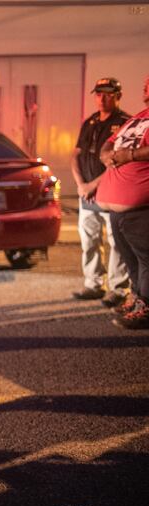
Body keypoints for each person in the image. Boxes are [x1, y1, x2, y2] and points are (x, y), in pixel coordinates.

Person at [94, 75, 149, 330]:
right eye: (145, 83)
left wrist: (130, 155)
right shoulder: (137, 117)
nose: (146, 87)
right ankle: (137, 296)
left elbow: (129, 150)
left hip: (142, 207)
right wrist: (107, 154)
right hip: (117, 206)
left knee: (146, 258)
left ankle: (146, 306)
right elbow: (109, 143)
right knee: (130, 258)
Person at [71, 77, 131, 306]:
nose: (102, 98)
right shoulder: (90, 122)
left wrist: (92, 184)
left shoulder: (125, 123)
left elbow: (120, 162)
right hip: (86, 194)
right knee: (89, 241)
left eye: (107, 94)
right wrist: (80, 184)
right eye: (98, 94)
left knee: (116, 242)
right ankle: (93, 284)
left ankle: (118, 288)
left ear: (118, 96)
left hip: (111, 192)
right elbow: (76, 154)